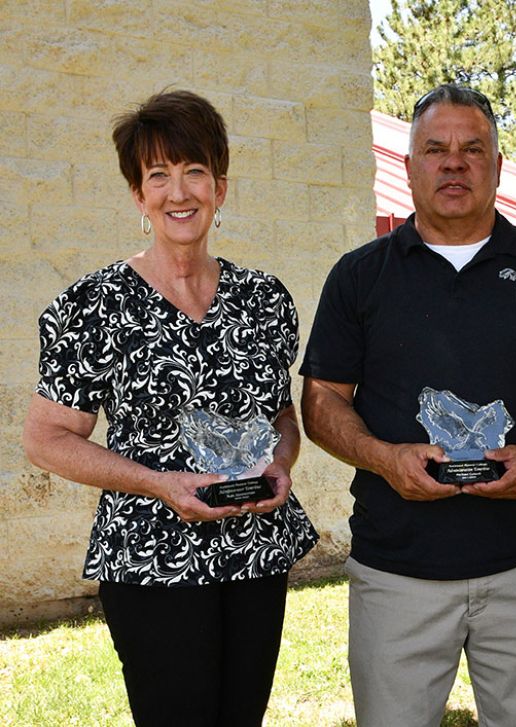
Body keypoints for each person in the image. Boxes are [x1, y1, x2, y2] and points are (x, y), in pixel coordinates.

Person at [301, 84, 516, 727]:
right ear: (410, 165)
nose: (454, 162)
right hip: (396, 573)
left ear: (496, 166)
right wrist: (385, 459)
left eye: (473, 149)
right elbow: (323, 400)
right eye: (435, 149)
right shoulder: (359, 276)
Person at [21, 90, 317, 727]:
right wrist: (158, 483)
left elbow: (282, 417)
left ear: (221, 189)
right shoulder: (92, 306)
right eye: (158, 175)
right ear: (138, 195)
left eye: (194, 172)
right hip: (150, 560)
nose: (177, 191)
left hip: (255, 552)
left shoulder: (264, 298)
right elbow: (46, 437)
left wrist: (281, 463)